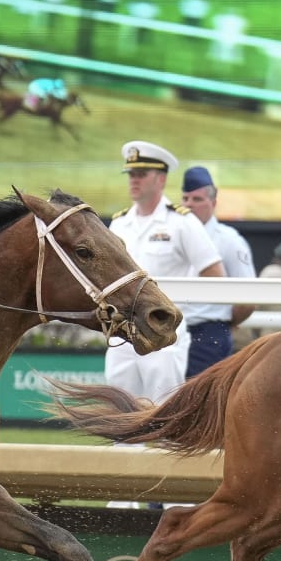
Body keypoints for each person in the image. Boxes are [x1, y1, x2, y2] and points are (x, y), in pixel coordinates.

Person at [104, 141, 225, 401]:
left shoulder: (182, 222)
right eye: (131, 175)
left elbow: (215, 275)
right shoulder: (119, 223)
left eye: (141, 174)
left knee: (162, 412)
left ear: (160, 179)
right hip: (123, 334)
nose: (134, 180)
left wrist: (183, 310)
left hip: (164, 334)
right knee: (119, 414)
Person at [178, 164, 255, 377]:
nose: (189, 205)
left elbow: (248, 297)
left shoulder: (230, 240)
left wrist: (225, 323)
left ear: (213, 203)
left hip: (208, 334)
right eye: (185, 199)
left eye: (197, 199)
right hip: (175, 331)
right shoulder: (173, 234)